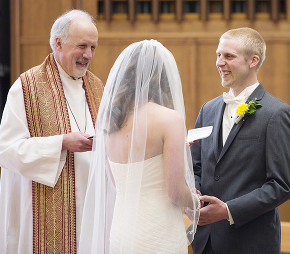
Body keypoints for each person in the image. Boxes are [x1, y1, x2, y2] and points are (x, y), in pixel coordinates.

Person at [0, 9, 103, 253]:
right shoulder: (26, 87)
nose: (88, 55)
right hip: (40, 214)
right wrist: (61, 143)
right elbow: (5, 151)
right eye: (82, 46)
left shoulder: (97, 88)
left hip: (89, 209)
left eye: (93, 48)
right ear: (58, 43)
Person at [78, 40, 201, 253]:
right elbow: (175, 192)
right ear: (164, 77)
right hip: (158, 232)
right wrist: (195, 198)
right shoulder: (169, 119)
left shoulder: (110, 120)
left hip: (122, 231)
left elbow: (117, 181)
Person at [190, 27, 290, 253]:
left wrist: (228, 210)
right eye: (218, 55)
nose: (220, 62)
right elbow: (195, 166)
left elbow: (282, 185)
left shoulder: (277, 113)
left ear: (253, 61)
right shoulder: (207, 110)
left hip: (250, 242)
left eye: (228, 56)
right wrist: (195, 196)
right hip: (205, 240)